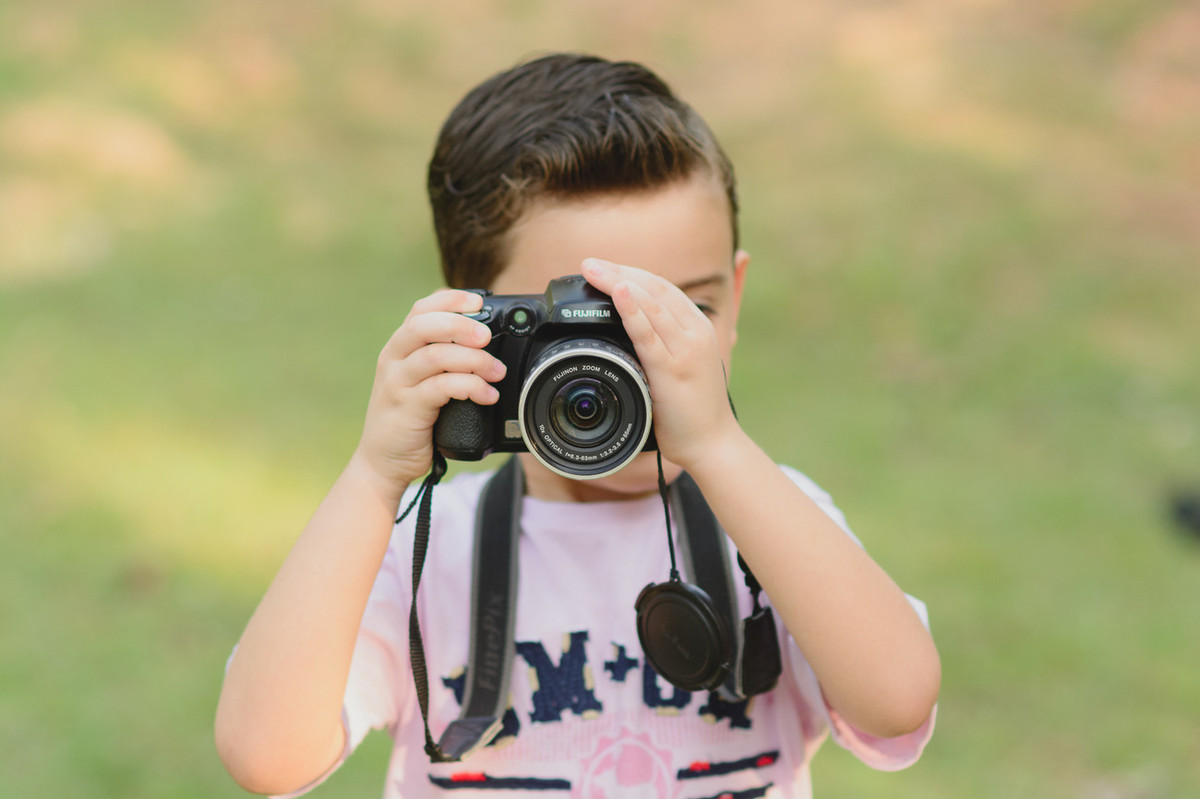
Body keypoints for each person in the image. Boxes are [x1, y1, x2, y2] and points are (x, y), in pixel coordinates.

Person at [215, 53, 940, 799]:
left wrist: (721, 449)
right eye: (585, 334)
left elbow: (897, 700)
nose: (636, 370)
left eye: (684, 314)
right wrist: (373, 481)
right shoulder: (425, 548)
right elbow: (266, 756)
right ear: (475, 325)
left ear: (737, 297)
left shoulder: (774, 525)